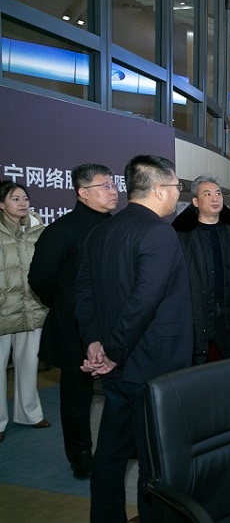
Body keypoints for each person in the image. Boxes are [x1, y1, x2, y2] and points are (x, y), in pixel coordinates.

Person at [74, 155, 192, 523]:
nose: (178, 194)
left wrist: (94, 341)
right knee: (156, 460)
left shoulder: (102, 231)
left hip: (117, 367)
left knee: (111, 453)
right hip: (152, 365)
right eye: (176, 187)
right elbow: (145, 300)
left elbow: (83, 293)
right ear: (159, 190)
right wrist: (112, 351)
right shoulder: (159, 232)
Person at [28, 164, 118, 478]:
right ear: (83, 193)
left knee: (121, 390)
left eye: (113, 184)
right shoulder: (62, 230)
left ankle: (124, 444)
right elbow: (39, 278)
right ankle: (80, 453)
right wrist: (67, 305)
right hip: (74, 327)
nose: (113, 191)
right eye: (104, 186)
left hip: (115, 326)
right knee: (77, 397)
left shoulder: (118, 226)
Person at [172, 174, 230, 365]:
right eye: (207, 194)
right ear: (195, 201)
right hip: (196, 310)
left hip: (229, 308)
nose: (215, 198)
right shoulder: (182, 233)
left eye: (218, 193)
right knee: (195, 366)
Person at [0, 181, 50, 443]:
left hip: (32, 305)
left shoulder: (37, 228)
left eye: (25, 198)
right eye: (15, 198)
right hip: (3, 309)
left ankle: (29, 413)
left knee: (29, 364)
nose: (22, 203)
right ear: (1, 204)